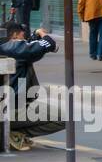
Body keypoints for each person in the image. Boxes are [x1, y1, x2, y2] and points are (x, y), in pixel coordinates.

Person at [0, 23, 64, 151]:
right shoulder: (12, 48)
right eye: (22, 35)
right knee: (63, 118)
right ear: (14, 35)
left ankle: (7, 134)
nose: (24, 39)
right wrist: (42, 33)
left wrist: (31, 40)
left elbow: (28, 47)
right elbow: (48, 44)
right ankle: (9, 135)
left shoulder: (5, 47)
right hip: (12, 107)